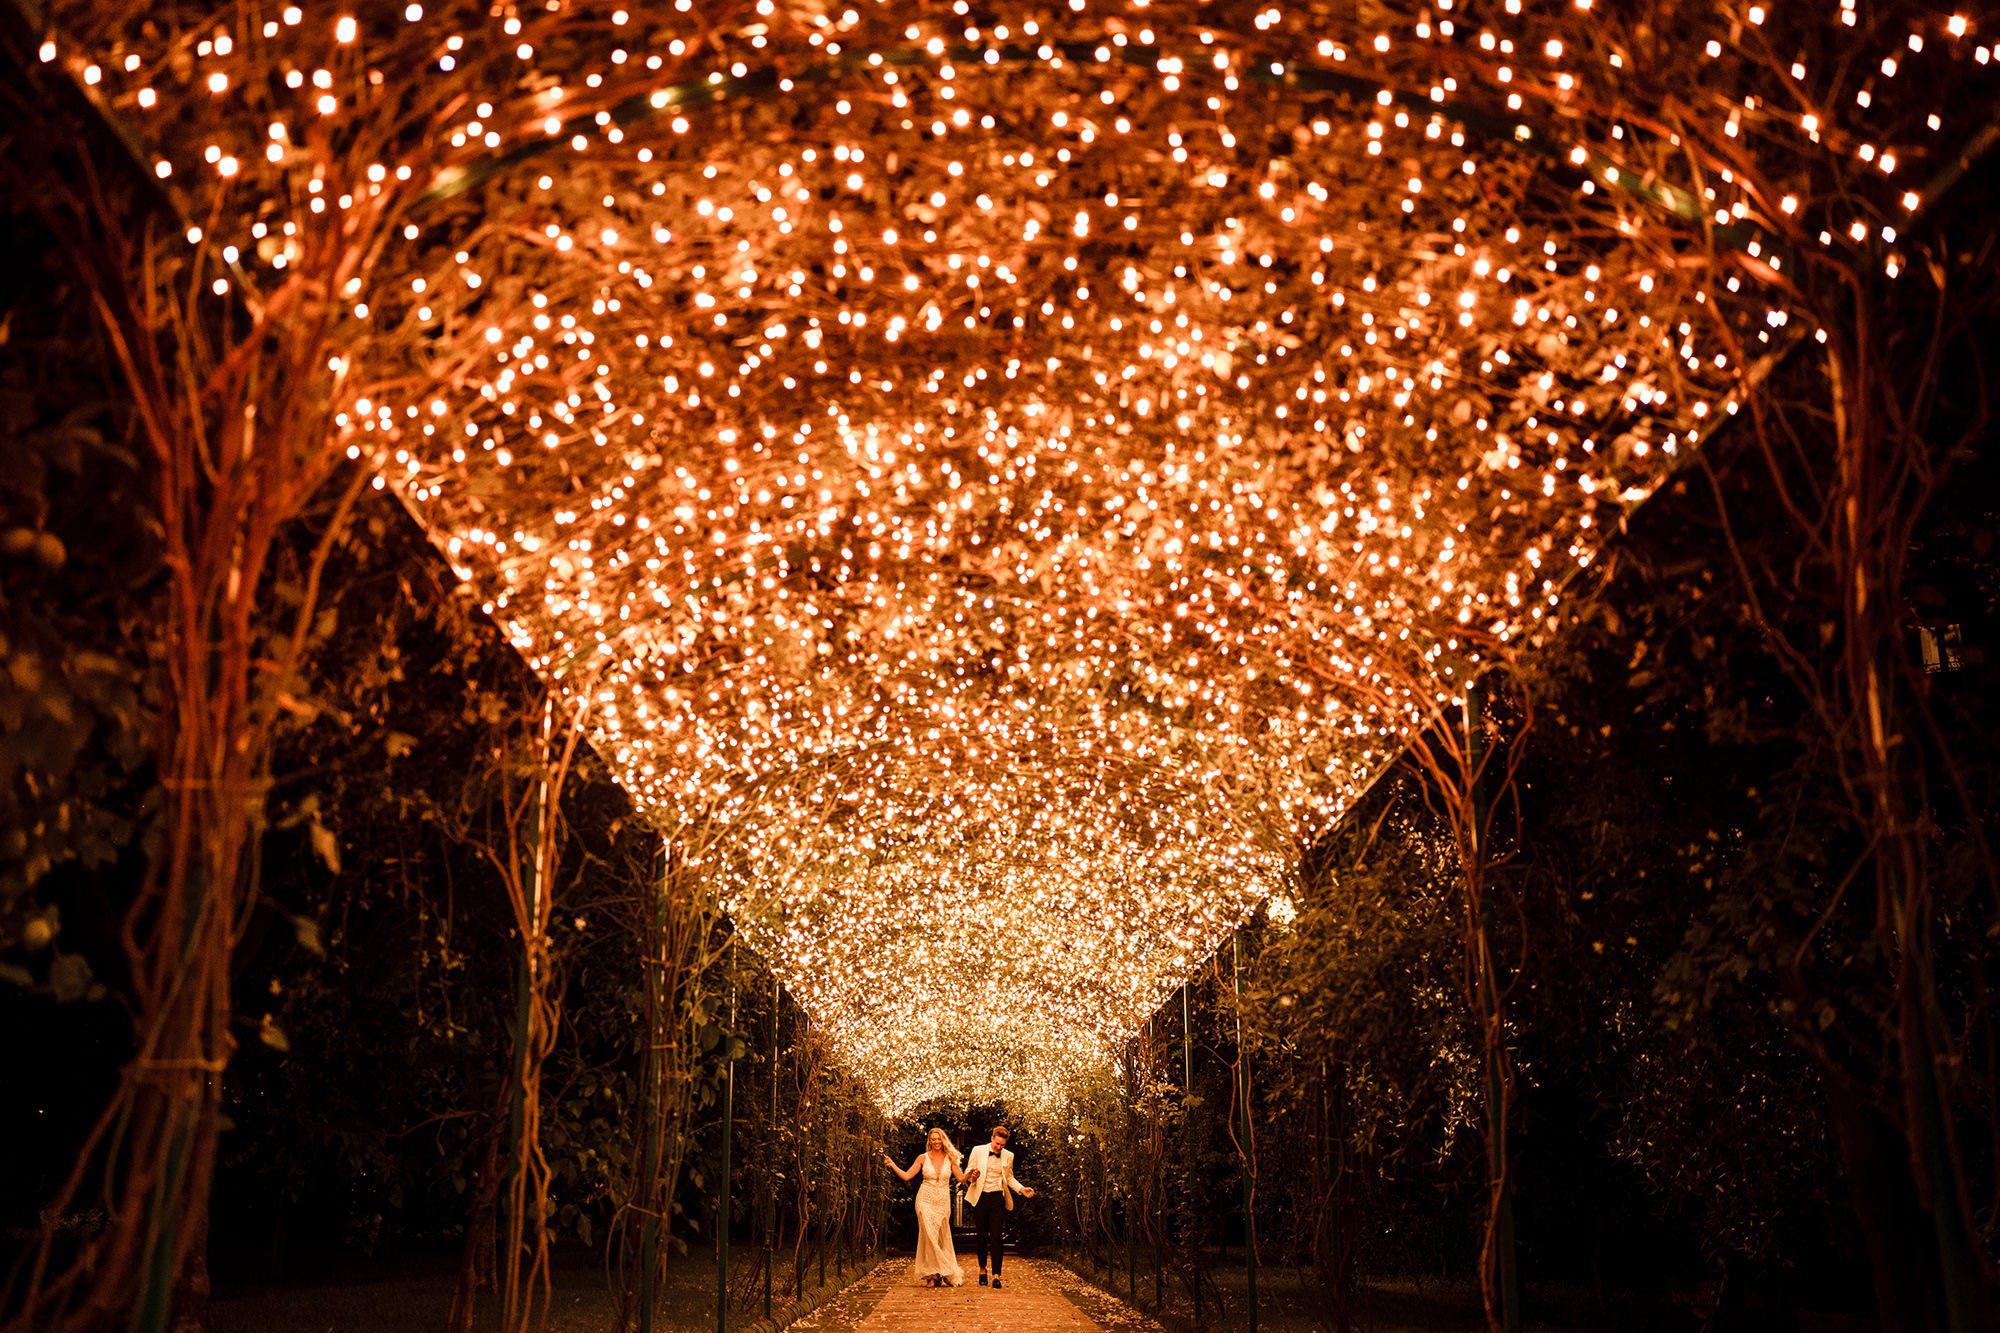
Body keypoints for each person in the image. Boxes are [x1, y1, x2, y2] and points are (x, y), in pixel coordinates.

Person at [883, 1127, 970, 1287]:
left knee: (939, 1236)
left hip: (942, 1200)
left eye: (939, 1139)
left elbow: (961, 1178)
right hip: (925, 1199)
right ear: (929, 1141)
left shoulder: (950, 1158)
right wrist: (892, 1165)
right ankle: (933, 1275)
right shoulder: (923, 1158)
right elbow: (907, 1176)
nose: (936, 1142)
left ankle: (940, 1273)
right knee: (928, 1235)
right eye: (933, 1139)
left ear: (943, 1140)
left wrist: (971, 1175)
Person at [960, 1124, 1034, 1289]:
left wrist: (1022, 1189)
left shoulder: (1009, 1156)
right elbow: (968, 1172)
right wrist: (973, 1176)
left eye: (1002, 1145)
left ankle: (996, 1275)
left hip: (997, 1198)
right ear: (992, 1138)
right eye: (997, 1144)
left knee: (996, 1237)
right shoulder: (978, 1150)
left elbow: (1009, 1178)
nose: (999, 1147)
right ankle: (982, 1269)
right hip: (980, 1197)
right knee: (981, 1236)